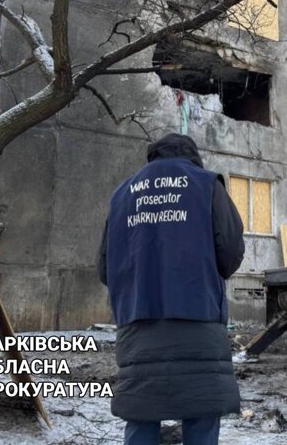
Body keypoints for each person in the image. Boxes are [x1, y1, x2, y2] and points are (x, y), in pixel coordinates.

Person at [98, 133, 245, 445]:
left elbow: (104, 268)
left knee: (141, 419)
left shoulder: (122, 195)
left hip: (137, 327)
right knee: (202, 418)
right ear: (193, 157)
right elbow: (230, 252)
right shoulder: (206, 185)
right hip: (199, 322)